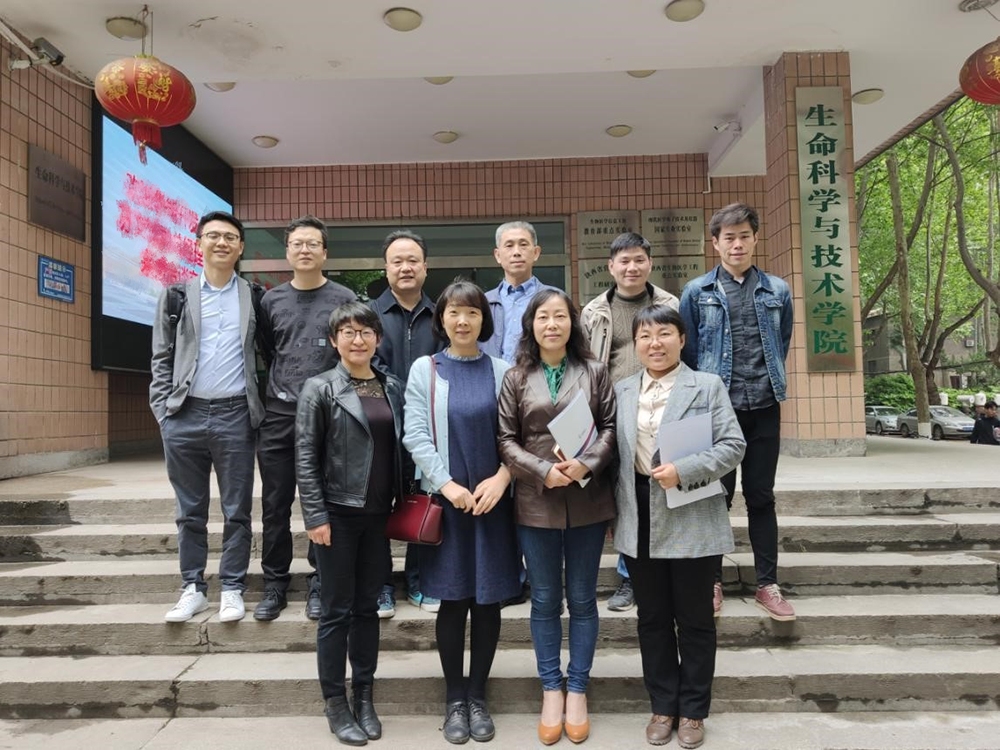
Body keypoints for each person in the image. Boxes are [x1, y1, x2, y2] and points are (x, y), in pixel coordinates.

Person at [613, 305, 745, 749]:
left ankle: (693, 711)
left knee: (694, 620)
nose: (655, 343)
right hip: (638, 515)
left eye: (664, 333)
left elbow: (734, 445)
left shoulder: (706, 386)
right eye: (645, 336)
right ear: (636, 344)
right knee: (651, 618)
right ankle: (662, 706)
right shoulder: (622, 389)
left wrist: (684, 470)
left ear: (682, 339)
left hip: (691, 514)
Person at [403, 280, 521, 745]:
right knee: (453, 602)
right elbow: (415, 433)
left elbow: (519, 435)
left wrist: (503, 478)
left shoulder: (503, 370)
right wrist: (447, 484)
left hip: (493, 503)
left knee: (487, 602)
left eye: (472, 312)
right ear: (442, 319)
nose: (463, 320)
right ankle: (455, 697)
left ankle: (478, 696)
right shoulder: (426, 369)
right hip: (449, 504)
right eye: (454, 311)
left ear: (483, 320)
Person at [497, 289, 617, 745]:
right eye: (543, 317)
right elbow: (505, 440)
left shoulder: (595, 371)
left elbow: (610, 428)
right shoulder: (515, 377)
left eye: (560, 316)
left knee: (583, 600)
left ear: (573, 322)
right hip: (536, 500)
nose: (552, 324)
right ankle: (552, 689)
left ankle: (578, 689)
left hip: (588, 498)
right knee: (545, 600)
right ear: (531, 324)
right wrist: (542, 470)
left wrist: (586, 464)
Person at [296, 301, 406, 746]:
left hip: (378, 516)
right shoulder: (319, 388)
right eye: (348, 332)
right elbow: (305, 456)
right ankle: (335, 702)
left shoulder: (391, 387)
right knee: (336, 611)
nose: (357, 340)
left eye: (365, 332)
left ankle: (363, 695)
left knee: (367, 609)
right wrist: (315, 515)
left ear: (378, 339)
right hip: (337, 517)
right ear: (334, 340)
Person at [678, 202, 795, 622]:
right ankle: (711, 580)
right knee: (715, 497)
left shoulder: (778, 290)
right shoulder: (697, 292)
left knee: (761, 496)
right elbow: (689, 353)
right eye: (729, 237)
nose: (737, 244)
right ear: (715, 243)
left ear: (755, 239)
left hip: (764, 405)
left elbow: (781, 342)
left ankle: (767, 584)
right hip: (716, 412)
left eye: (744, 236)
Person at [150, 211, 264, 624]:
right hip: (185, 415)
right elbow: (160, 357)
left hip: (236, 414)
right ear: (198, 243)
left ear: (240, 247)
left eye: (230, 237)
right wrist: (164, 413)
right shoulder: (176, 295)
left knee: (237, 510)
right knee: (189, 510)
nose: (221, 242)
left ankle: (232, 587)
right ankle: (193, 588)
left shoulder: (255, 296)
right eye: (213, 235)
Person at [254, 216, 357, 622]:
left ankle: (320, 582)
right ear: (288, 251)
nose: (305, 250)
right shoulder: (270, 301)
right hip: (279, 413)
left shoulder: (344, 298)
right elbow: (269, 349)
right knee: (275, 503)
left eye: (313, 243)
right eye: (297, 243)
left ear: (324, 252)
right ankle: (274, 584)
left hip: (329, 412)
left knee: (327, 503)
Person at [580, 231, 679, 614]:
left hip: (662, 406)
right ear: (611, 266)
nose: (632, 267)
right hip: (612, 411)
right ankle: (629, 576)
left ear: (650, 263)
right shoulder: (594, 312)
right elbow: (586, 364)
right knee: (624, 494)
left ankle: (661, 569)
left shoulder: (669, 304)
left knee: (656, 489)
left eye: (639, 259)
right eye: (624, 261)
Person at [369, 229, 445, 619]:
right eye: (397, 261)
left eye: (413, 260)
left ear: (425, 267)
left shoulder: (441, 316)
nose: (405, 267)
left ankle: (419, 579)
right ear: (386, 268)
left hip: (428, 429)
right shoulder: (369, 315)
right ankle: (381, 585)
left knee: (424, 501)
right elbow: (366, 366)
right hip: (379, 426)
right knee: (377, 506)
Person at [484, 220, 557, 364]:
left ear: (536, 253)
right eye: (509, 245)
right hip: (493, 377)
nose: (516, 252)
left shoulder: (555, 299)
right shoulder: (483, 303)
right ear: (497, 255)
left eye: (523, 245)